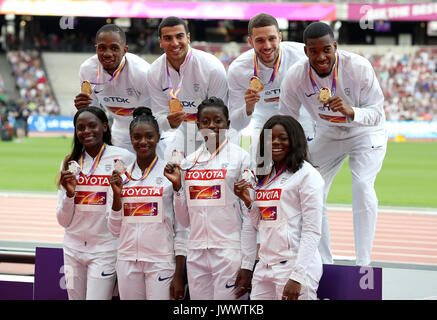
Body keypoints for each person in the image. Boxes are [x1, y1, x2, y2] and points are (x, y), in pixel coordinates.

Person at [279, 22, 387, 266]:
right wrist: (293, 152)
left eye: (326, 50)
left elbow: (377, 113)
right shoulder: (296, 76)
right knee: (310, 189)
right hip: (328, 134)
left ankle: (363, 263)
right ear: (306, 51)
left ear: (335, 47)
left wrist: (351, 111)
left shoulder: (358, 67)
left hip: (366, 132)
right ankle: (323, 262)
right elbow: (287, 119)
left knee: (361, 186)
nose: (321, 57)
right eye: (314, 51)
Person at [164, 97, 257, 300]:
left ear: (228, 125)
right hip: (196, 252)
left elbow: (250, 215)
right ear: (197, 126)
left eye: (218, 120)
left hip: (228, 251)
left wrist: (247, 263)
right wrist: (178, 188)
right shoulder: (188, 163)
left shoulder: (241, 158)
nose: (212, 126)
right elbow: (184, 220)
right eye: (205, 121)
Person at [234, 115, 324, 300]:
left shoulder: (307, 176)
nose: (275, 142)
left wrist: (297, 276)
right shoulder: (263, 177)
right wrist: (249, 202)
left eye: (283, 138)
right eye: (270, 138)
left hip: (294, 266)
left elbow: (312, 231)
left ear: (295, 140)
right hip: (265, 266)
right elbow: (259, 223)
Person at [107, 107, 188, 300]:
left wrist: (179, 273)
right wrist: (117, 198)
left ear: (158, 137)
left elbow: (183, 226)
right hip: (127, 261)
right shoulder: (121, 177)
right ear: (131, 138)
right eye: (137, 137)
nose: (143, 142)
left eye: (149, 136)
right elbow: (114, 230)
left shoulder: (171, 174)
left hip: (160, 261)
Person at [56, 106, 135, 300]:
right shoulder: (69, 163)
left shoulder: (123, 157)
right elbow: (62, 220)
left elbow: (131, 202)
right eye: (80, 127)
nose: (86, 131)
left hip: (105, 248)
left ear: (105, 127)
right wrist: (69, 195)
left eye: (92, 125)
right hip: (72, 248)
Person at [227, 13, 314, 157]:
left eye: (272, 38)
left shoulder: (302, 55)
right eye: (260, 40)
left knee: (307, 169)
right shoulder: (238, 69)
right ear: (250, 42)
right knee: (258, 168)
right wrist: (248, 108)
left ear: (280, 37)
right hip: (264, 121)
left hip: (301, 118)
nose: (267, 46)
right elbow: (236, 123)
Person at [145, 16, 228, 161]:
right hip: (182, 131)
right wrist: (169, 122)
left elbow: (221, 112)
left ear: (188, 37)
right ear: (160, 42)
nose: (174, 43)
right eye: (168, 38)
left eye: (179, 36)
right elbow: (159, 116)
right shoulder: (154, 71)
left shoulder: (212, 67)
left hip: (213, 131)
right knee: (169, 165)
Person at [74, 24, 151, 152]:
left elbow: (149, 115)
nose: (107, 53)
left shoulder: (142, 72)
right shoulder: (87, 70)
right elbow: (93, 112)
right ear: (96, 48)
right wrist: (83, 110)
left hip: (150, 130)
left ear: (125, 50)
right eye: (102, 48)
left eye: (114, 48)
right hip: (119, 131)